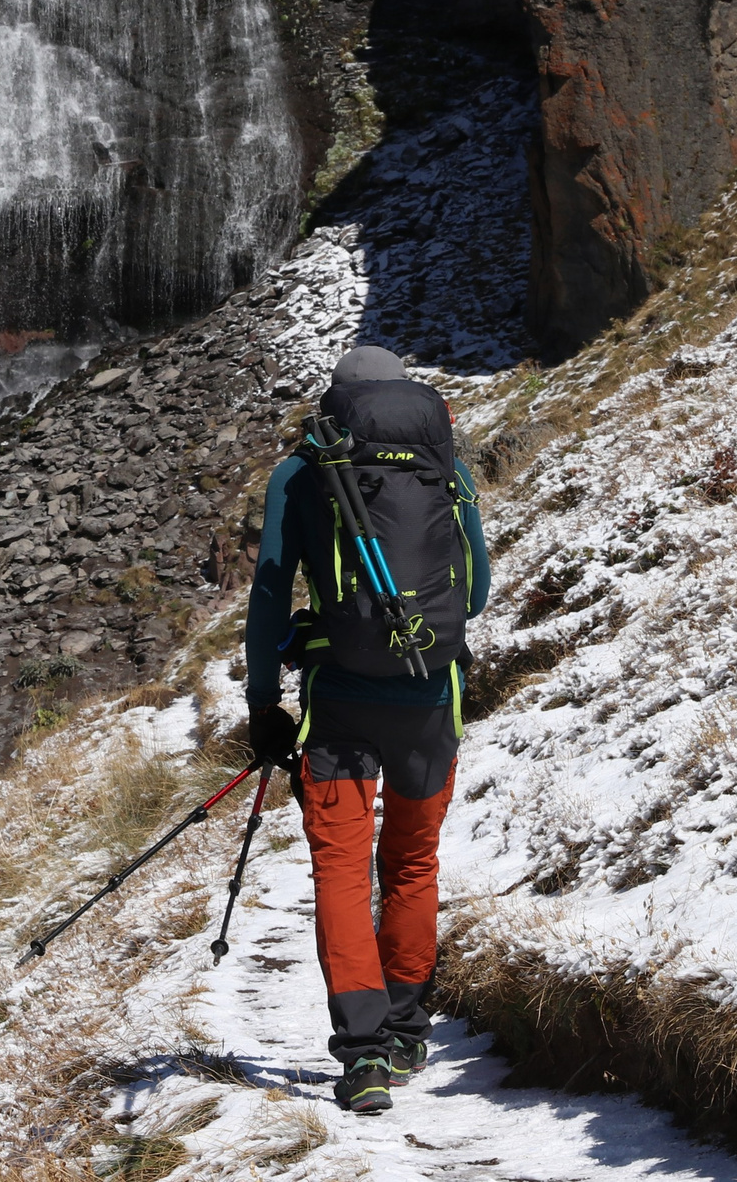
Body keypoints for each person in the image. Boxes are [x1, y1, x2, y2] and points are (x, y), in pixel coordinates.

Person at [242, 343, 490, 1115]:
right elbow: (475, 592)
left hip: (337, 705)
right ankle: (411, 1026)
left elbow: (270, 591)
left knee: (343, 872)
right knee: (412, 861)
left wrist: (262, 700)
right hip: (427, 699)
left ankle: (364, 1052)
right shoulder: (446, 466)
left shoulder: (303, 471)